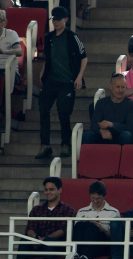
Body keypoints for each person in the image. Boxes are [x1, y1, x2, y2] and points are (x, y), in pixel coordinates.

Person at [35, 7, 87, 160]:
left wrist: (79, 77)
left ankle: (66, 144)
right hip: (51, 80)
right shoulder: (48, 37)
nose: (56, 21)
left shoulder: (72, 37)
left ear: (65, 19)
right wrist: (42, 73)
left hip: (67, 81)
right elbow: (47, 58)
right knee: (43, 110)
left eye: (58, 18)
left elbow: (84, 57)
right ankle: (45, 145)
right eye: (54, 19)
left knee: (64, 114)